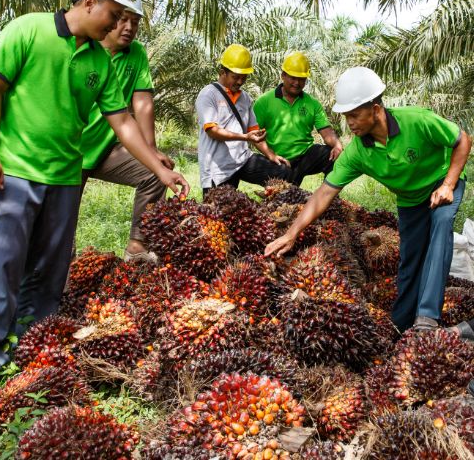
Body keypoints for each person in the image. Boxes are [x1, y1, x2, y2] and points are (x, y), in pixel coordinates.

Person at [0, 0, 189, 382]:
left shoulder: (99, 62)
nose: (117, 24)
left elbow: (122, 122)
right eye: (114, 13)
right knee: (4, 271)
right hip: (15, 174)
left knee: (49, 275)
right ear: (90, 2)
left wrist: (156, 167)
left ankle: (32, 354)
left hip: (65, 181)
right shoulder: (27, 31)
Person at [265, 66, 471, 333]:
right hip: (410, 198)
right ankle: (400, 323)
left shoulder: (416, 120)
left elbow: (462, 140)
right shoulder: (358, 153)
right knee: (410, 258)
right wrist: (291, 234)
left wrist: (448, 184)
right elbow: (323, 194)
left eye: (354, 115)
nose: (349, 123)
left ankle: (427, 318)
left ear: (375, 109)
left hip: (442, 183)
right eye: (346, 117)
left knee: (442, 225)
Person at [79, 0, 171, 262]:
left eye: (135, 21)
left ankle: (137, 247)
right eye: (122, 19)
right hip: (72, 152)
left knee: (155, 172)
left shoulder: (136, 54)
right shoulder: (85, 49)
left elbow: (142, 103)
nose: (129, 27)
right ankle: (61, 282)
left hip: (108, 149)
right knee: (60, 227)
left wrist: (151, 150)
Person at [195, 44, 292, 196]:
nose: (240, 82)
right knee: (218, 213)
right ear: (223, 73)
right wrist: (244, 137)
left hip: (242, 160)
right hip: (218, 168)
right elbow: (212, 131)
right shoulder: (208, 95)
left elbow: (253, 132)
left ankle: (274, 215)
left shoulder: (245, 97)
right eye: (236, 77)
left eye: (244, 77)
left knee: (281, 172)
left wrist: (271, 155)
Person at [253, 51, 342, 186]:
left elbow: (326, 131)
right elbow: (255, 136)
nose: (297, 83)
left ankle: (329, 199)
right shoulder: (263, 102)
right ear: (283, 75)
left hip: (305, 157)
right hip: (278, 161)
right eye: (293, 78)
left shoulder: (312, 103)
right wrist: (271, 154)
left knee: (332, 154)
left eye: (301, 79)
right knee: (284, 200)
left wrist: (337, 144)